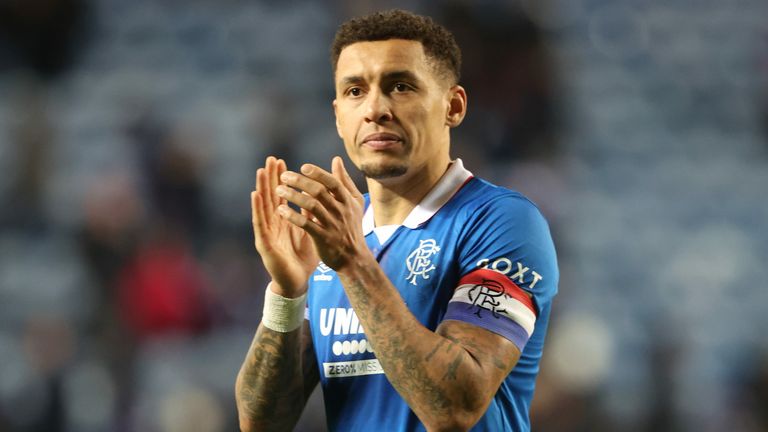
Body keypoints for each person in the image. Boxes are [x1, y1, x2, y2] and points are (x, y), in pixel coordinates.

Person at [235, 9, 558, 432]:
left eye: (400, 86)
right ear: (337, 115)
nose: (375, 109)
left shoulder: (501, 222)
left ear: (453, 106)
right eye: (354, 91)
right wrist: (288, 292)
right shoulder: (334, 235)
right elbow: (262, 421)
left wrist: (353, 263)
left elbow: (454, 409)